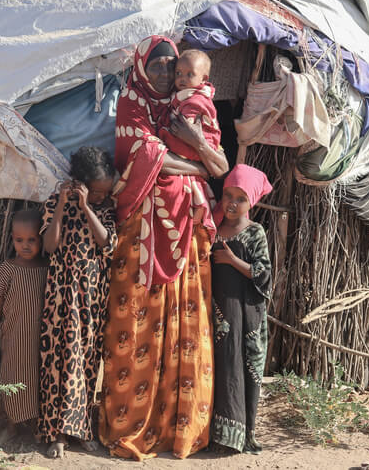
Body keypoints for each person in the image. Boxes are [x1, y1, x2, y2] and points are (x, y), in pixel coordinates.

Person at [99, 35, 229, 460]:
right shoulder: (130, 105)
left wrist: (197, 140)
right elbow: (141, 154)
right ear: (140, 66)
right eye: (155, 64)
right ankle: (128, 422)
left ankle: (180, 424)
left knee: (186, 317)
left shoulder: (187, 109)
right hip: (139, 229)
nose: (162, 72)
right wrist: (199, 165)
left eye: (170, 66)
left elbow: (222, 164)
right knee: (133, 317)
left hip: (184, 227)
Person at [38, 146, 118, 458]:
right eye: (95, 191)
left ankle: (83, 429)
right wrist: (62, 205)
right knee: (58, 364)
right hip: (60, 297)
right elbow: (49, 245)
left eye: (103, 192)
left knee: (86, 363)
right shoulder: (54, 205)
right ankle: (56, 433)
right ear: (80, 182)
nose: (100, 196)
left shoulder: (106, 210)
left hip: (93, 298)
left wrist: (88, 207)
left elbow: (107, 243)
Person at [209, 164, 273, 454]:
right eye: (228, 196)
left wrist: (232, 261)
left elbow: (264, 275)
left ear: (252, 203)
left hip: (247, 319)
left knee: (243, 372)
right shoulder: (212, 227)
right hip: (217, 315)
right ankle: (216, 435)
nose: (232, 203)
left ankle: (242, 436)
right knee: (221, 369)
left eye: (240, 198)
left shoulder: (255, 232)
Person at [0, 208, 49, 445]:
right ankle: (11, 424)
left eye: (32, 240)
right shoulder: (8, 268)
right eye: (19, 240)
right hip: (13, 335)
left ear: (41, 239)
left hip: (39, 338)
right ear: (12, 239)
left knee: (35, 378)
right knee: (10, 376)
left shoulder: (48, 268)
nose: (26, 245)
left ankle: (33, 423)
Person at [164, 48, 221, 225]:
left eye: (190, 74)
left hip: (195, 147)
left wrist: (164, 133)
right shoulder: (184, 96)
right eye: (178, 73)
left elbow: (186, 128)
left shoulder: (195, 100)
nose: (182, 78)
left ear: (203, 79)